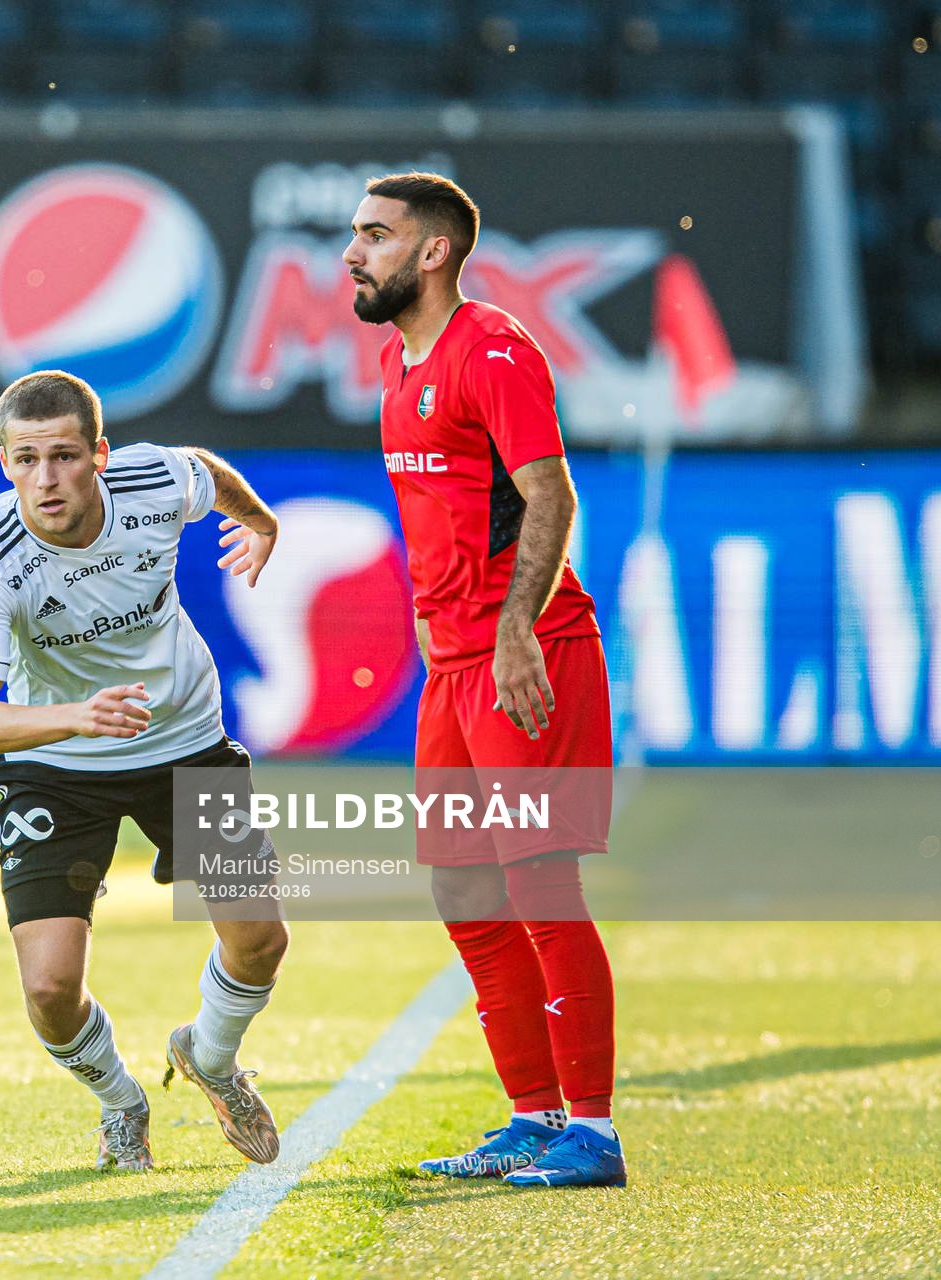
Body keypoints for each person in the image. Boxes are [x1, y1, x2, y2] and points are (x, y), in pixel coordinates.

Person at [344, 171, 623, 1187]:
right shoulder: (393, 360)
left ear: (432, 251)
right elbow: (445, 526)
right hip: (453, 669)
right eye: (354, 234)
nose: (352, 253)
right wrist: (439, 638)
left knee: (542, 883)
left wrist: (515, 635)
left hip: (529, 650)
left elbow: (548, 494)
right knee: (464, 886)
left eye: (375, 234)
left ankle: (592, 1130)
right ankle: (532, 1114)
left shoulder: (492, 349)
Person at [0, 369, 287, 1172]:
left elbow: (206, 470)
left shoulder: (153, 478)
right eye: (25, 460)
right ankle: (121, 1102)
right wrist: (76, 715)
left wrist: (260, 521)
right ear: (4, 463)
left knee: (260, 941)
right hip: (57, 764)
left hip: (186, 739)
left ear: (100, 454)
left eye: (64, 456)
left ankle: (209, 1055)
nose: (46, 479)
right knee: (49, 990)